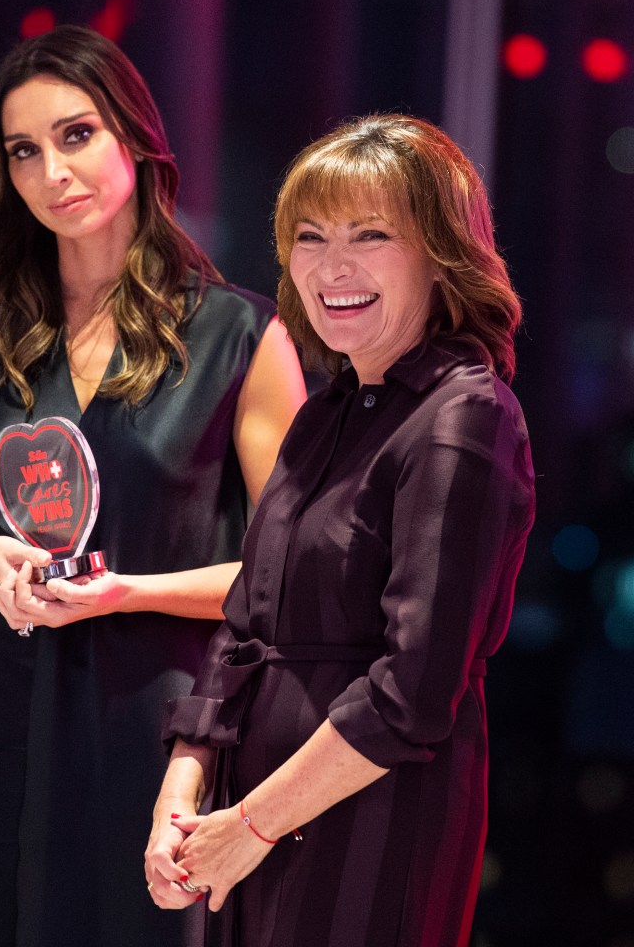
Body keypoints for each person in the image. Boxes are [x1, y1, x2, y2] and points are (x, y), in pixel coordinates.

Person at [0, 23, 305, 947]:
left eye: (77, 135)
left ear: (137, 139)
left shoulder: (240, 337)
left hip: (149, 728)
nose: (51, 172)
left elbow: (288, 580)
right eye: (24, 150)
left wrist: (123, 594)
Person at [145, 114, 536, 947]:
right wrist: (181, 793)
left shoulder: (463, 413)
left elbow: (413, 695)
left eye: (371, 235)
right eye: (310, 236)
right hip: (252, 826)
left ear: (441, 253)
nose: (334, 266)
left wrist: (246, 827)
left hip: (375, 828)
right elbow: (245, 627)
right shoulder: (324, 414)